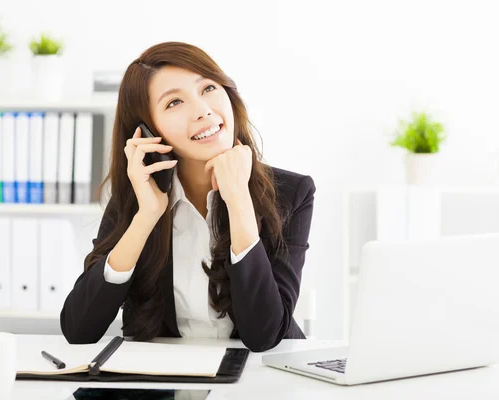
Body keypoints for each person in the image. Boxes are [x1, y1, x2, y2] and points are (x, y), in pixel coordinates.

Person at [60, 42, 316, 352]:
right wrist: (147, 216)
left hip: (260, 378)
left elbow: (264, 335)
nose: (203, 110)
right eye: (174, 102)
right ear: (148, 130)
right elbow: (79, 329)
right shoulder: (138, 198)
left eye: (208, 88)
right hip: (167, 380)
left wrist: (238, 201)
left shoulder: (291, 192)